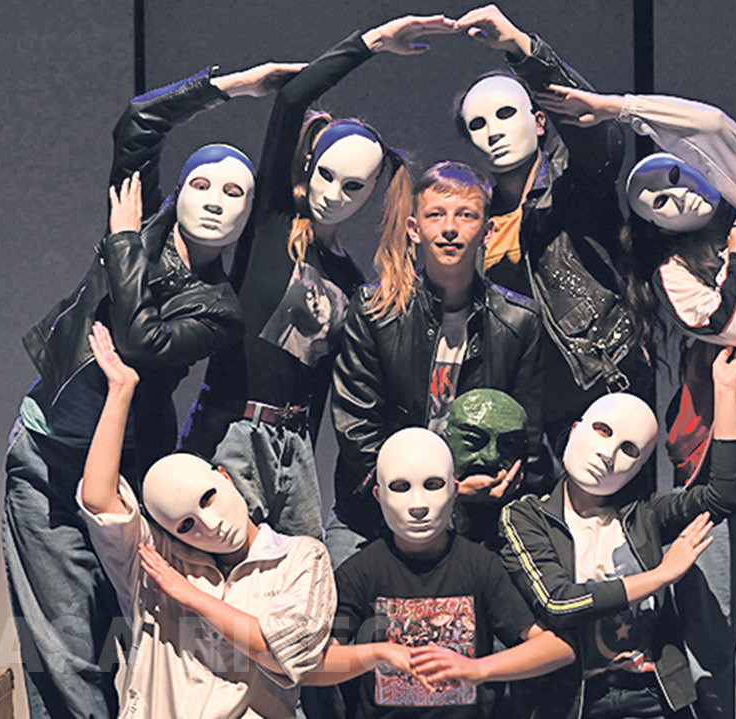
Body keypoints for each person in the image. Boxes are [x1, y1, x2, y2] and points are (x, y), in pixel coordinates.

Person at [4, 62, 291, 719]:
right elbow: (138, 123)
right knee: (63, 647)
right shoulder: (147, 230)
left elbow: (138, 342)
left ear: (248, 214)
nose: (215, 200)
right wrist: (232, 86)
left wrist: (123, 239)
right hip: (48, 454)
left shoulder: (219, 308)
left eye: (234, 193)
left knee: (146, 635)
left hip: (130, 471)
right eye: (202, 184)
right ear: (179, 193)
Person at [538, 84, 736, 719]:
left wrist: (615, 108)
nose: (671, 194)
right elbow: (734, 321)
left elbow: (714, 124)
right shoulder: (674, 272)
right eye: (652, 197)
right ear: (649, 224)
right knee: (709, 639)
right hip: (713, 463)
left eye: (676, 176)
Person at [179, 15, 458, 541]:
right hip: (231, 430)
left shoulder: (351, 280)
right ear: (308, 164)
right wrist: (373, 42)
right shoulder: (272, 223)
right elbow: (290, 101)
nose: (333, 194)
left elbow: (327, 385)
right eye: (325, 175)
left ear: (372, 190)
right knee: (213, 562)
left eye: (353, 186)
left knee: (299, 575)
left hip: (295, 448)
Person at [78, 322, 335, 719]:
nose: (209, 524)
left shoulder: (300, 557)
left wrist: (190, 596)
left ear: (226, 477)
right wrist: (121, 390)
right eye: (186, 525)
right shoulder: (157, 564)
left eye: (208, 499)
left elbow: (290, 651)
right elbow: (98, 499)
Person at [498, 343, 736, 719]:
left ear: (639, 466)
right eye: (602, 431)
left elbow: (723, 495)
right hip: (575, 702)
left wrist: (726, 389)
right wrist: (661, 575)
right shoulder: (526, 517)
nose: (608, 455)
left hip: (652, 696)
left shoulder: (644, 515)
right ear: (575, 430)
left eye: (629, 450)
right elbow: (558, 602)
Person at [449, 5, 652, 458]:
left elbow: (594, 129)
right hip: (522, 413)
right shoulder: (474, 219)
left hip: (601, 386)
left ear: (540, 122)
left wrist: (522, 49)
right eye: (478, 124)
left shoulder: (574, 184)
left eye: (506, 114)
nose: (494, 132)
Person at [328, 161, 545, 566]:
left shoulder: (519, 321)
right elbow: (356, 425)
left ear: (488, 231)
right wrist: (432, 489)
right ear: (414, 229)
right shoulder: (374, 310)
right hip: (375, 511)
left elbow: (524, 436)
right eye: (435, 215)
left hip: (478, 518)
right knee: (342, 599)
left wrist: (497, 483)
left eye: (466, 216)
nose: (449, 228)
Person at [304, 427, 574, 719]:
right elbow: (314, 667)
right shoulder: (360, 573)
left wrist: (478, 669)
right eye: (400, 487)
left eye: (433, 485)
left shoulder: (480, 566)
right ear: (378, 495)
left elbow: (558, 648)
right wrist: (380, 653)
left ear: (454, 489)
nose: (418, 506)